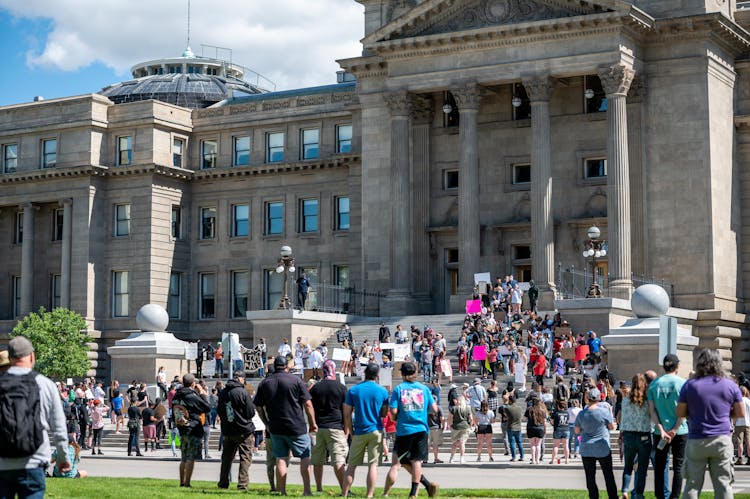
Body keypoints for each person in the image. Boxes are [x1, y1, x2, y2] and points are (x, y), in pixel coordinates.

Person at [0, 336, 71, 498]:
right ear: (32, 356)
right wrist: (63, 457)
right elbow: (59, 428)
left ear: (10, 358)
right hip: (34, 461)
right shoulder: (46, 384)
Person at [677, 349, 743, 499]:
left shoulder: (690, 385)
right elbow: (740, 413)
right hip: (721, 439)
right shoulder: (730, 385)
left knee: (692, 485)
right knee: (724, 485)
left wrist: (692, 413)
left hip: (696, 439)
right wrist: (726, 413)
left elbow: (680, 412)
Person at [254, 356, 317, 497]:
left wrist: (266, 423)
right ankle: (307, 491)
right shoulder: (296, 380)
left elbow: (258, 406)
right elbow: (308, 404)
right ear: (286, 366)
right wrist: (313, 424)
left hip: (276, 426)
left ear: (275, 366)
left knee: (281, 458)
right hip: (296, 426)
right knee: (305, 456)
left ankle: (281, 491)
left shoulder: (265, 383)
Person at [384, 362, 439, 499]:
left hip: (405, 430)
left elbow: (393, 411)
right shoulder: (424, 388)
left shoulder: (399, 389)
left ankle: (392, 493)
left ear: (402, 373)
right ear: (415, 372)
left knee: (399, 462)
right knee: (416, 461)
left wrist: (396, 417)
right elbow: (435, 409)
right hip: (421, 428)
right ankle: (417, 491)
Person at [342, 362, 389, 498]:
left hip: (360, 430)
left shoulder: (353, 390)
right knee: (373, 465)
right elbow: (384, 413)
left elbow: (347, 414)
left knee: (351, 465)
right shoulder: (382, 391)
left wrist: (351, 431)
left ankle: (344, 493)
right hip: (376, 429)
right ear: (377, 375)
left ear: (365, 373)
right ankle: (369, 495)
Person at [648, 353, 688, 499]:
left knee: (659, 467)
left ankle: (660, 496)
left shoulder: (654, 384)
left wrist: (661, 429)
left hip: (660, 433)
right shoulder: (683, 383)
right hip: (681, 431)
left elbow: (652, 410)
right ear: (677, 366)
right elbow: (685, 410)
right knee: (678, 466)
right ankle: (675, 497)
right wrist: (675, 429)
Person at [310, 359, 348, 494]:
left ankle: (319, 488)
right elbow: (346, 411)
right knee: (338, 460)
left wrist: (312, 424)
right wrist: (347, 429)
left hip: (319, 427)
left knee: (317, 460)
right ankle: (344, 490)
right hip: (336, 426)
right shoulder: (341, 387)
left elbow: (311, 408)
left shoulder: (315, 388)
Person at [575, 387, 618, 499]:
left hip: (587, 448)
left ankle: (594, 497)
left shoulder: (581, 413)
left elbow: (577, 431)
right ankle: (613, 496)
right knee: (608, 475)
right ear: (599, 398)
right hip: (602, 447)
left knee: (590, 477)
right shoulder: (604, 412)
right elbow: (612, 427)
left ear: (588, 399)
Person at [217, 369, 256, 491]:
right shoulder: (242, 392)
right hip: (243, 430)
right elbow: (250, 412)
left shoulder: (223, 392)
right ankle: (242, 484)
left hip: (228, 429)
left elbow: (219, 410)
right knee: (245, 457)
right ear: (241, 379)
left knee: (227, 458)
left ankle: (223, 482)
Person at [172, 373, 211, 488]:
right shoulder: (191, 395)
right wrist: (202, 393)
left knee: (183, 457)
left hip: (182, 427)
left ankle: (181, 482)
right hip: (193, 428)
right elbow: (207, 407)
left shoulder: (177, 396)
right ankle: (187, 483)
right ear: (193, 383)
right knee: (191, 457)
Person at [619, 373, 652, 499]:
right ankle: (638, 493)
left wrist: (621, 434)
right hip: (644, 436)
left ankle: (625, 491)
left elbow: (623, 420)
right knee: (642, 469)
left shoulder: (626, 401)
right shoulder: (647, 400)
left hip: (629, 435)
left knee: (628, 467)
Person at [448, 395, 473, 464]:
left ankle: (451, 458)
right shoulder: (467, 408)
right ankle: (462, 458)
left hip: (455, 427)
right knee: (462, 443)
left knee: (454, 444)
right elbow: (471, 419)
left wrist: (450, 425)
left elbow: (449, 418)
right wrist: (470, 426)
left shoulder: (453, 408)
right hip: (465, 427)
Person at [525, 397, 547, 465]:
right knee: (538, 445)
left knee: (532, 445)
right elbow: (544, 422)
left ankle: (533, 460)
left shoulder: (529, 409)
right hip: (540, 428)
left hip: (531, 428)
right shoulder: (542, 411)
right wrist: (545, 430)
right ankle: (537, 460)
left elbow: (525, 418)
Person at [550, 399, 570, 465]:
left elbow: (552, 422)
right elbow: (568, 421)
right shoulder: (567, 413)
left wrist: (553, 424)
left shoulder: (556, 413)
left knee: (556, 446)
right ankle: (567, 460)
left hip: (558, 429)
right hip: (566, 429)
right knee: (566, 446)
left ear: (558, 406)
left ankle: (552, 460)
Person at [735, 386, 750, 465]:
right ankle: (749, 459)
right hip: (748, 423)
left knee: (739, 442)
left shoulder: (738, 401)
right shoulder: (749, 401)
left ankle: (740, 459)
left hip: (739, 423)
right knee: (748, 442)